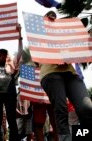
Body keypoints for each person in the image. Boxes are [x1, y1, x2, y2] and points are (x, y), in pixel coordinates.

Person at [40, 11, 92, 141]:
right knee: (61, 109)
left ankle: (84, 136)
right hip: (50, 73)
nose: (53, 18)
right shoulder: (40, 35)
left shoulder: (67, 38)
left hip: (71, 73)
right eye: (49, 17)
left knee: (86, 107)